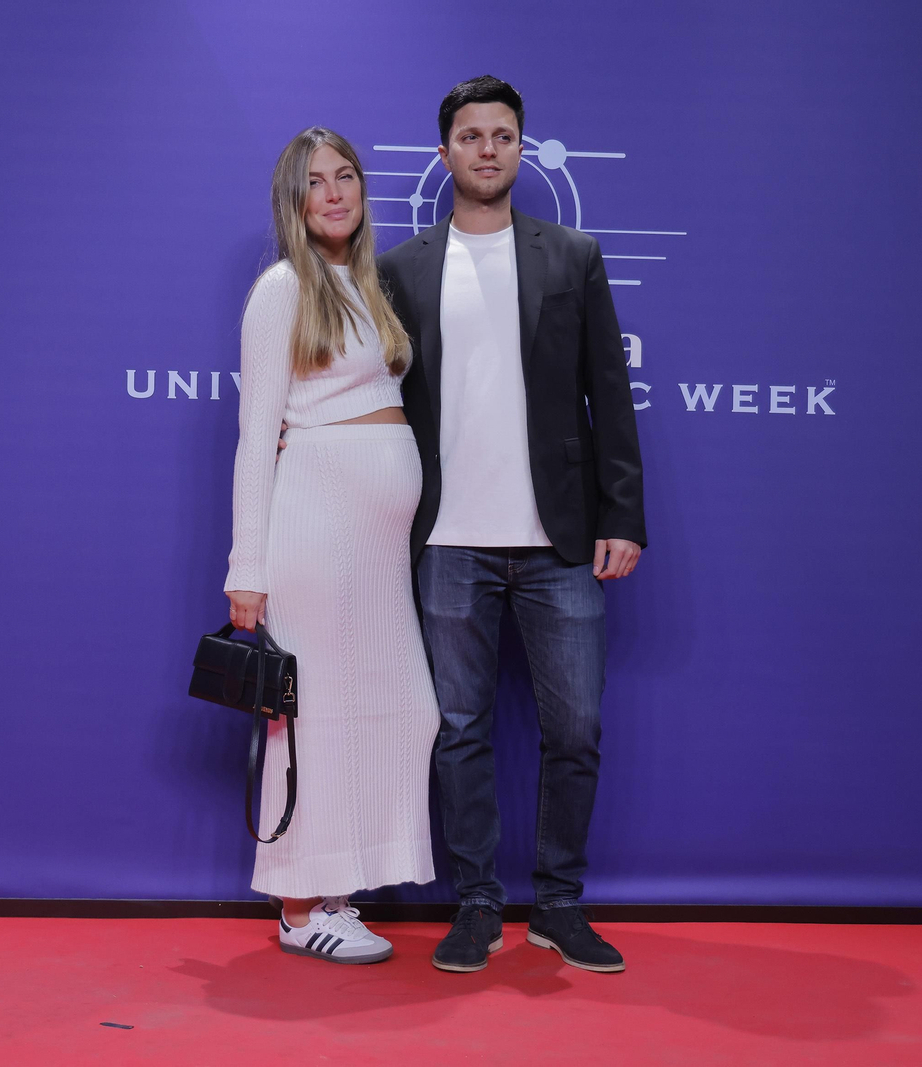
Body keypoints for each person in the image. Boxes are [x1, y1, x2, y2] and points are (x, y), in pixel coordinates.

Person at [377, 76, 647, 974]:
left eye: (502, 134)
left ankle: (559, 902)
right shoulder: (401, 267)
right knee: (460, 729)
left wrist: (623, 515)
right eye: (469, 134)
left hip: (560, 541)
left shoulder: (573, 254)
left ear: (521, 149)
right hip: (445, 538)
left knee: (575, 731)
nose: (487, 148)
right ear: (445, 152)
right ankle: (478, 905)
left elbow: (609, 394)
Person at [225, 127, 440, 965]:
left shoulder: (369, 286)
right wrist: (249, 567)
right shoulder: (281, 289)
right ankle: (296, 905)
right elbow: (254, 436)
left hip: (378, 547)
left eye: (345, 176)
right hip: (314, 528)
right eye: (316, 182)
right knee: (312, 718)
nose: (335, 192)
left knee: (391, 713)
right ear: (295, 200)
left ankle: (337, 892)